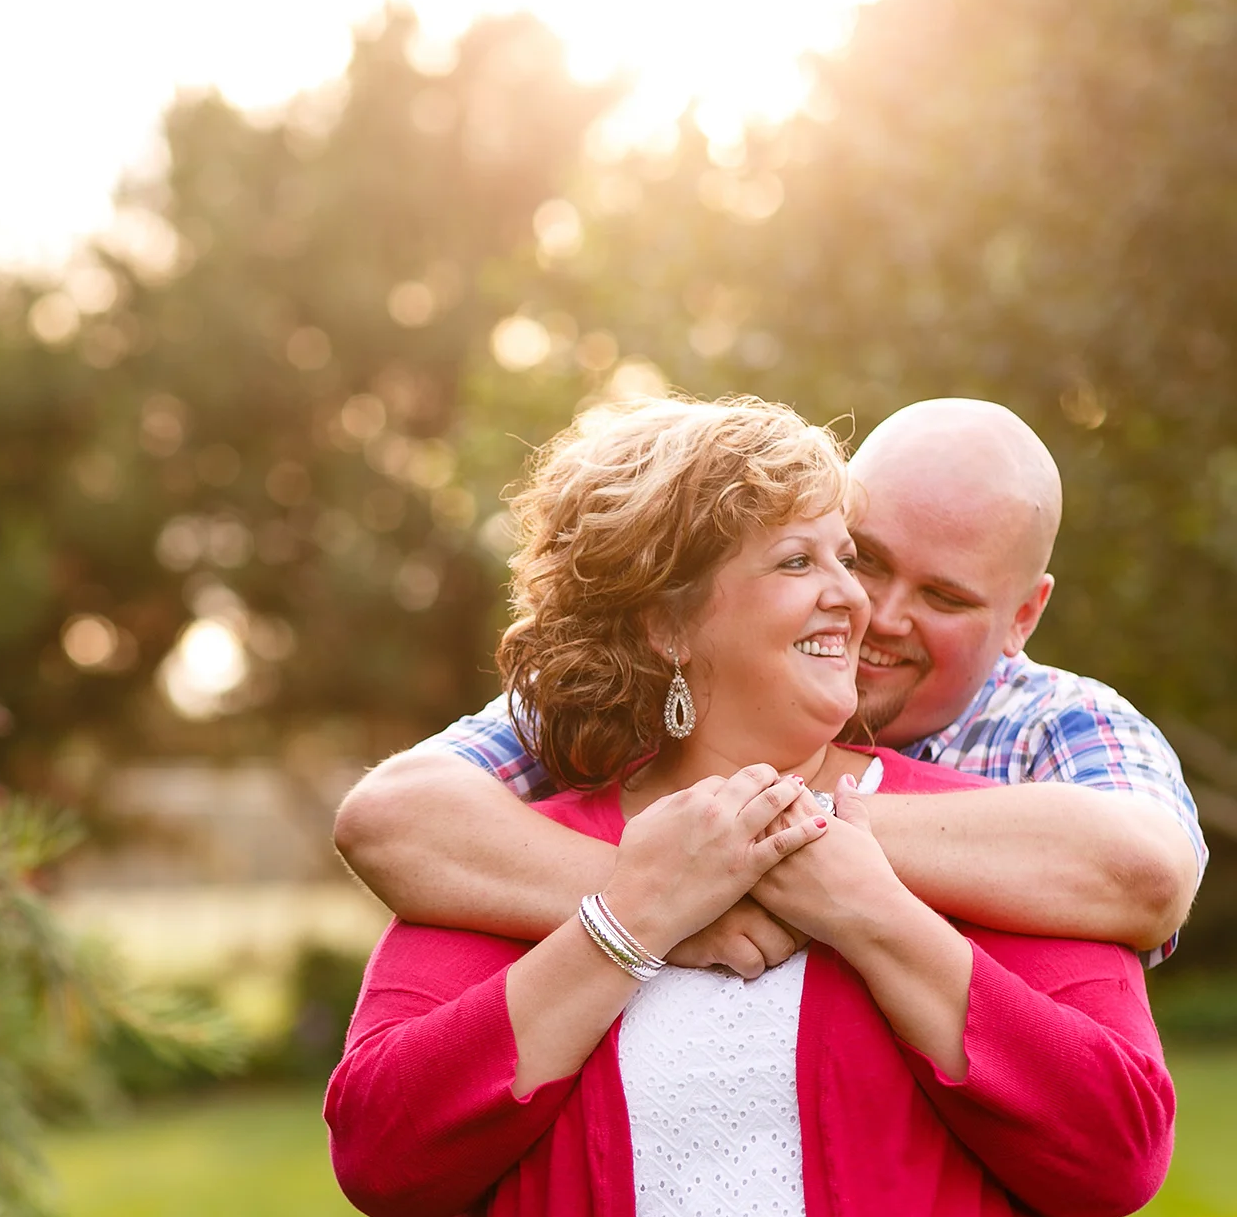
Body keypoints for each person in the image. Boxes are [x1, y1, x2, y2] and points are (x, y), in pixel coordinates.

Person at [324, 397, 1174, 1217]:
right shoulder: (512, 839)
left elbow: (1117, 1149)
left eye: (843, 557)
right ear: (665, 622)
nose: (862, 603)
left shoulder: (1005, 829)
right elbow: (383, 1155)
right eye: (810, 560)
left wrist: (863, 897)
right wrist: (633, 915)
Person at [333, 398, 1202, 979]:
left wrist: (782, 832)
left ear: (1024, 616)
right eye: (864, 558)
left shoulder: (1052, 722)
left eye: (944, 598)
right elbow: (392, 818)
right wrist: (663, 901)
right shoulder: (661, 675)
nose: (874, 611)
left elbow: (1147, 875)